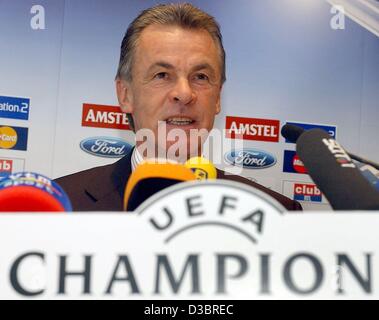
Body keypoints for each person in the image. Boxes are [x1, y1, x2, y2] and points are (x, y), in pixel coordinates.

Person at [56, 3, 302, 211]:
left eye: (201, 76)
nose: (184, 94)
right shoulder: (59, 208)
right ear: (125, 94)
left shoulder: (276, 213)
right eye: (162, 75)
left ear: (218, 98)